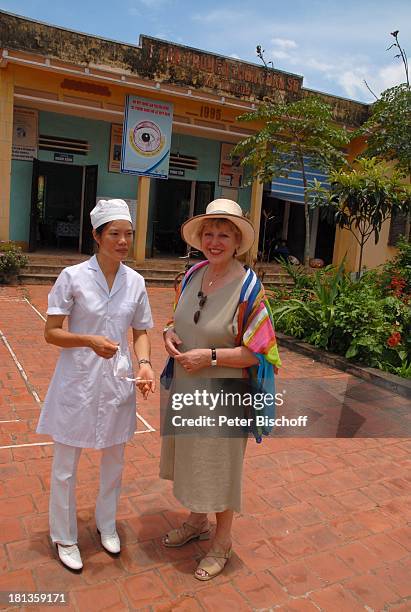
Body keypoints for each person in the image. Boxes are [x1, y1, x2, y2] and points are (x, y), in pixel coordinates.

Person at [160, 199, 281, 581]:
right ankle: (197, 521)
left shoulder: (249, 288)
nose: (215, 241)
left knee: (221, 467)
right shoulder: (193, 273)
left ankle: (222, 542)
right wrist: (168, 333)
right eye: (209, 233)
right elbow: (177, 318)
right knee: (195, 460)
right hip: (187, 388)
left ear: (236, 241)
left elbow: (259, 352)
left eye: (223, 235)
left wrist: (209, 357)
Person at [37, 198, 155, 571]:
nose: (123, 241)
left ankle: (107, 525)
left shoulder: (135, 281)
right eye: (115, 233)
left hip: (117, 380)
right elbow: (51, 333)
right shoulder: (72, 277)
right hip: (77, 381)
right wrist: (89, 340)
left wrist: (147, 364)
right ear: (97, 236)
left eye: (128, 234)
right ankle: (64, 536)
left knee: (114, 461)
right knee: (66, 466)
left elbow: (140, 332)